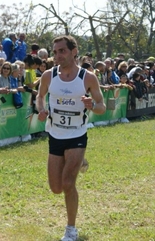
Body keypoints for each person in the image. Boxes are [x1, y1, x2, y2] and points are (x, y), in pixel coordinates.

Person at [36, 35, 105, 241]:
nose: (57, 55)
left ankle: (71, 229)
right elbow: (40, 96)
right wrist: (41, 109)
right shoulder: (49, 76)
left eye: (62, 51)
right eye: (55, 52)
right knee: (56, 188)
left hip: (77, 134)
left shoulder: (88, 78)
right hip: (55, 134)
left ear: (74, 51)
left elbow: (101, 105)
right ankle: (79, 161)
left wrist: (92, 105)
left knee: (67, 183)